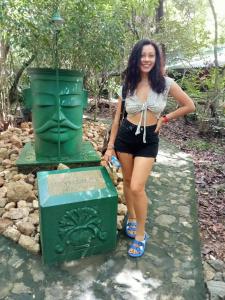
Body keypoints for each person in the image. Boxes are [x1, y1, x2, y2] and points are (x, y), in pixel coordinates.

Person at [104, 39, 195, 257]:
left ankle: (141, 234)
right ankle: (132, 217)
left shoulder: (165, 83)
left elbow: (189, 105)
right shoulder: (127, 84)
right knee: (126, 180)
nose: (146, 59)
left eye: (151, 55)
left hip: (149, 140)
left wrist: (165, 118)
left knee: (137, 186)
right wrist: (109, 147)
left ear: (156, 59)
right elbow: (117, 119)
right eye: (142, 55)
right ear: (136, 58)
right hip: (125, 137)